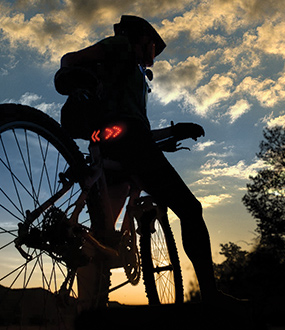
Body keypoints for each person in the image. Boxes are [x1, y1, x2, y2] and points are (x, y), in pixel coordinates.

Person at [55, 15, 226, 304]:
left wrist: (172, 132)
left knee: (101, 235)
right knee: (191, 209)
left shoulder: (126, 73)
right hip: (132, 146)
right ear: (143, 39)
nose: (154, 57)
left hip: (111, 144)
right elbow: (69, 59)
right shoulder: (122, 46)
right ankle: (212, 298)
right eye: (153, 49)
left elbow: (132, 126)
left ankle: (89, 308)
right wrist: (74, 71)